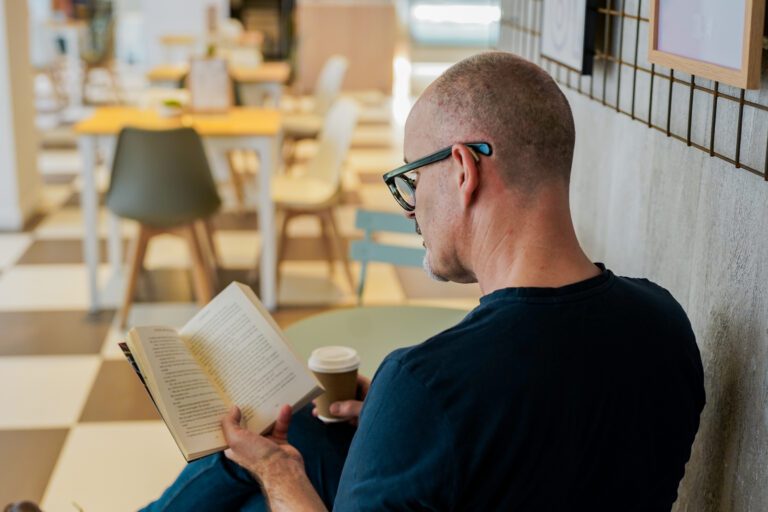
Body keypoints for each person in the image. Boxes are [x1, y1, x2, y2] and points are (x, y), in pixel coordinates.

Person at [143, 51, 705, 511]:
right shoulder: (665, 322)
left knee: (262, 467)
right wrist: (394, 424)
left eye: (412, 177)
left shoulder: (426, 383)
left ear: (463, 170)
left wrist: (277, 472)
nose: (410, 208)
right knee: (315, 432)